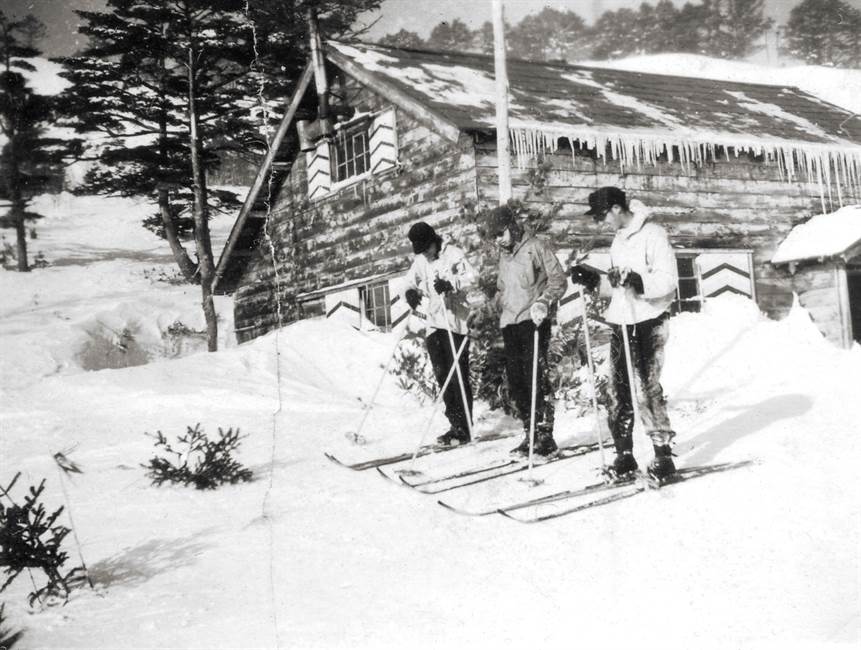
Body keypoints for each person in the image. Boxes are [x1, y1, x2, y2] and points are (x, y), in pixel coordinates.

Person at [569, 187, 679, 480]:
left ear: (617, 209)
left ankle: (662, 455)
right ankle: (624, 453)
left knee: (646, 388)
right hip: (622, 320)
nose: (600, 222)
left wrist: (638, 281)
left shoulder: (653, 234)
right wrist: (594, 279)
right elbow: (617, 286)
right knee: (617, 390)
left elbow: (668, 280)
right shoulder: (618, 241)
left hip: (649, 319)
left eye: (602, 216)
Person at [482, 206, 567, 456]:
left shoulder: (536, 247)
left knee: (535, 378)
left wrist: (544, 301)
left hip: (533, 320)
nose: (498, 239)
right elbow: (502, 289)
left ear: (513, 226)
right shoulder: (503, 256)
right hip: (510, 324)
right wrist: (493, 305)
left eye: (501, 233)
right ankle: (530, 433)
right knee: (517, 383)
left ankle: (544, 436)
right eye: (493, 236)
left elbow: (558, 279)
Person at [402, 221, 477, 446]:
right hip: (434, 324)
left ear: (434, 241)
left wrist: (451, 283)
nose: (425, 252)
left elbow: (473, 278)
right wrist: (410, 293)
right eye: (421, 249)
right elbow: (407, 281)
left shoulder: (453, 254)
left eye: (427, 247)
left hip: (455, 322)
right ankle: (455, 425)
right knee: (442, 376)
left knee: (457, 377)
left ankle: (465, 428)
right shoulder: (421, 261)